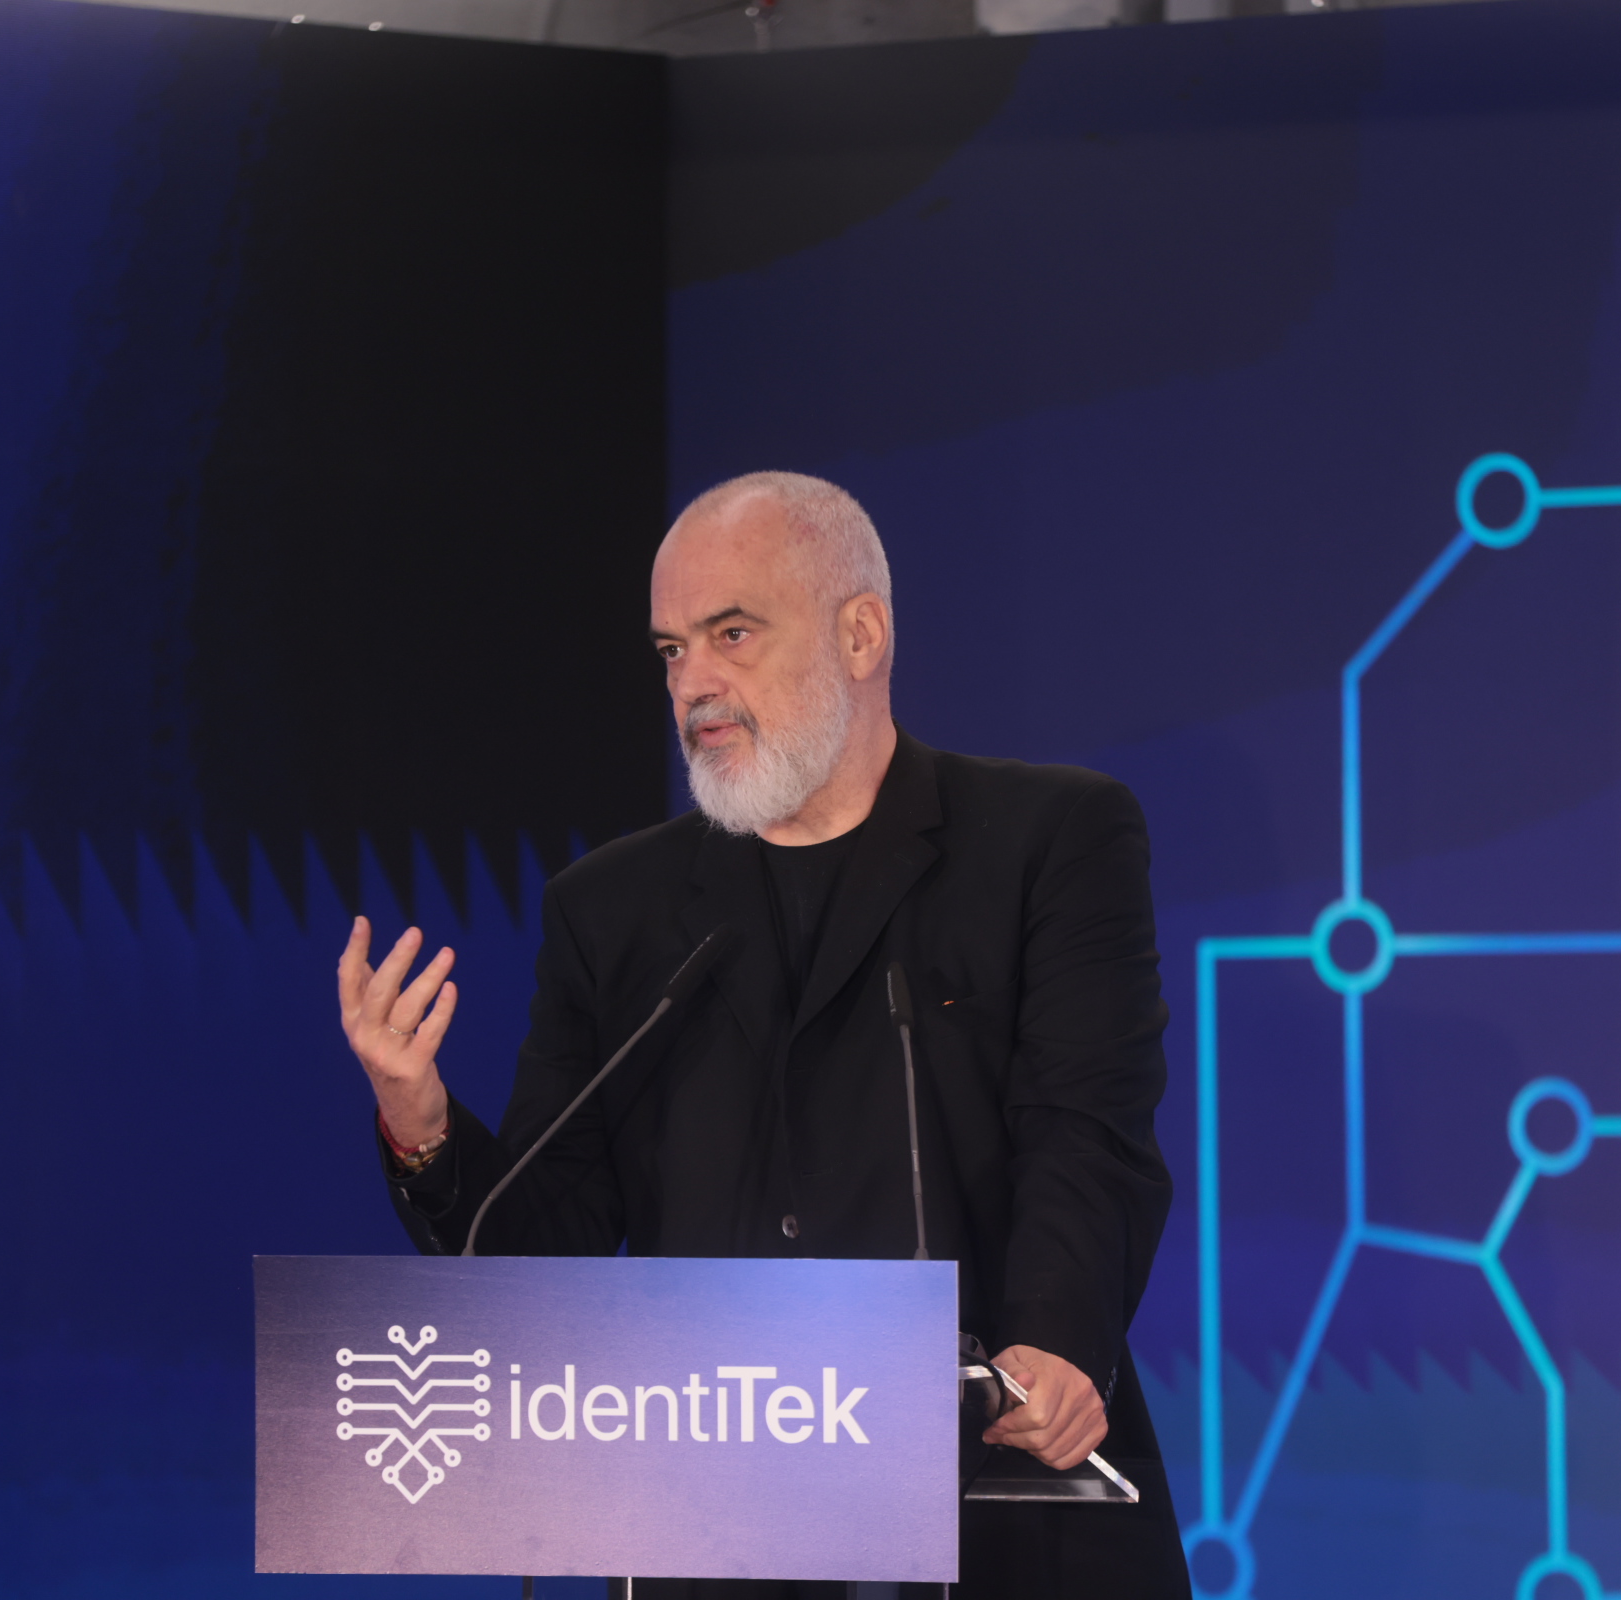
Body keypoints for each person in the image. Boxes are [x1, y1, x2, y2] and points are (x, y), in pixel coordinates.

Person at [337, 472, 1189, 1597]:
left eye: (731, 633)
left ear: (861, 633)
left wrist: (1057, 1342)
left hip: (1006, 1509)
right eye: (670, 651)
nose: (693, 682)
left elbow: (1088, 1132)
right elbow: (550, 1241)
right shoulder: (615, 912)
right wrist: (422, 1123)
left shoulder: (1047, 840)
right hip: (717, 1540)